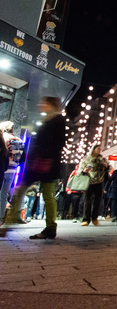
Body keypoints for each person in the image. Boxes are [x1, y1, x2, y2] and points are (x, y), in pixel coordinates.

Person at [4, 97, 66, 239]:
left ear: (51, 105)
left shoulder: (57, 121)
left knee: (46, 195)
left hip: (46, 164)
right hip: (39, 163)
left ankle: (50, 227)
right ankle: (10, 224)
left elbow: (58, 143)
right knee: (22, 191)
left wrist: (46, 157)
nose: (41, 105)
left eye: (44, 103)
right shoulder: (48, 120)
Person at [79, 145, 109, 227]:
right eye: (98, 148)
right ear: (93, 149)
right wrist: (84, 170)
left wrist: (107, 166)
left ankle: (94, 218)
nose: (99, 150)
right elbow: (80, 169)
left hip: (100, 182)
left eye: (100, 148)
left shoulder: (102, 159)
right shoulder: (86, 159)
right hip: (89, 181)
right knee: (87, 201)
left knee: (97, 201)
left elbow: (109, 168)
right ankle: (86, 219)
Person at [0, 121, 23, 223]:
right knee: (4, 195)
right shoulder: (19, 140)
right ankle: (1, 217)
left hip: (2, 167)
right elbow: (22, 158)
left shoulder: (3, 138)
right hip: (13, 170)